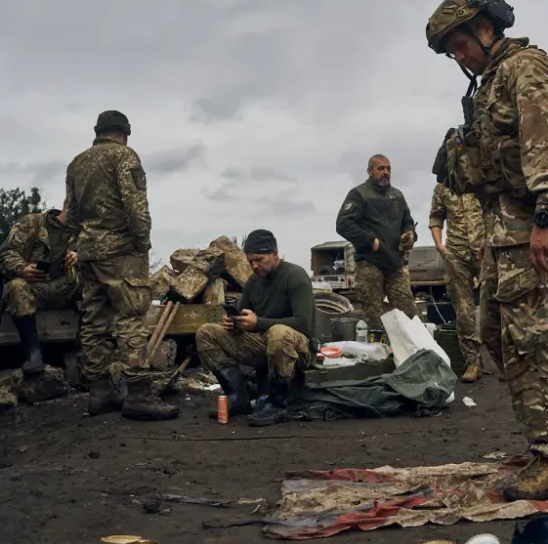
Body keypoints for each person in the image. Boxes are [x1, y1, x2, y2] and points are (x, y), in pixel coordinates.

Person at [426, 0, 548, 501]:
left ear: (485, 29)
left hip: (534, 226)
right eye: (452, 51)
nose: (460, 56)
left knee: (534, 339)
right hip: (504, 232)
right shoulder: (490, 84)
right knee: (495, 333)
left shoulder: (527, 68)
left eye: (461, 45)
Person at [65, 109, 178, 420]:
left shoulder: (77, 163)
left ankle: (100, 392)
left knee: (94, 322)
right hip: (121, 252)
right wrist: (142, 244)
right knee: (130, 317)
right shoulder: (125, 156)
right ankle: (139, 395)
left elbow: (71, 214)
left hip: (88, 253)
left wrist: (79, 245)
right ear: (125, 132)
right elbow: (136, 206)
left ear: (97, 131)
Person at [194, 229, 315, 426]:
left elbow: (304, 324)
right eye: (250, 261)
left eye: (259, 259)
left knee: (278, 333)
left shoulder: (296, 276)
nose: (254, 265)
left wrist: (257, 323)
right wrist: (234, 322)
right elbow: (244, 315)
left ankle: (277, 403)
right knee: (207, 332)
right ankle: (238, 397)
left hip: (297, 349)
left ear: (274, 254)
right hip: (263, 345)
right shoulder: (254, 281)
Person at [0, 201, 80, 379]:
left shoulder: (83, 233)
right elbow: (7, 253)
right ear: (68, 204)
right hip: (35, 287)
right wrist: (22, 269)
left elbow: (102, 259)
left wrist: (79, 257)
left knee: (94, 286)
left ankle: (84, 352)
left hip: (64, 288)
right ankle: (33, 353)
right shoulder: (32, 223)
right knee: (15, 286)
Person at [336, 155, 418, 329]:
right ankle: (377, 352)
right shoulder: (359, 194)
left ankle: (415, 351)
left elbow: (408, 221)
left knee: (409, 312)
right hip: (370, 263)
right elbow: (343, 224)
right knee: (374, 316)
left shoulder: (397, 195)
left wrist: (410, 235)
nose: (385, 172)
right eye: (380, 168)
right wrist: (369, 239)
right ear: (370, 171)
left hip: (395, 263)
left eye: (388, 168)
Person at [429, 179, 485, 382]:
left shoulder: (481, 180)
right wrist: (439, 245)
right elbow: (436, 217)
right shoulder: (442, 188)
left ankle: (507, 361)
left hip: (485, 251)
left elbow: (494, 211)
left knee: (497, 305)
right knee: (464, 309)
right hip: (456, 253)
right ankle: (473, 362)